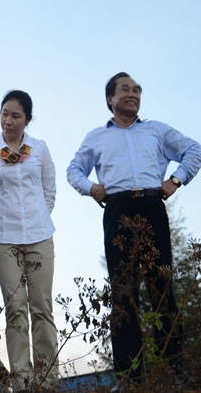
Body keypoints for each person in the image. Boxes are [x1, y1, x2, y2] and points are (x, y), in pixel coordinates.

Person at [67, 72, 201, 382]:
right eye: (125, 89)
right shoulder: (96, 137)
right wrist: (91, 188)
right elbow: (74, 170)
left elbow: (194, 150)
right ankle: (130, 379)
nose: (133, 94)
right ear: (110, 99)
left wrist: (176, 179)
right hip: (118, 210)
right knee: (123, 294)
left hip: (152, 207)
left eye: (137, 90)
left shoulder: (156, 130)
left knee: (162, 288)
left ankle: (172, 375)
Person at [0, 90, 58, 390]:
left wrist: (35, 220)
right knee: (15, 309)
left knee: (42, 308)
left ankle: (47, 381)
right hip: (4, 240)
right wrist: (4, 224)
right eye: (4, 114)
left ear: (28, 119)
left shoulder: (40, 148)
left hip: (40, 236)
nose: (8, 121)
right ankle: (23, 382)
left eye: (15, 116)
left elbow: (48, 190)